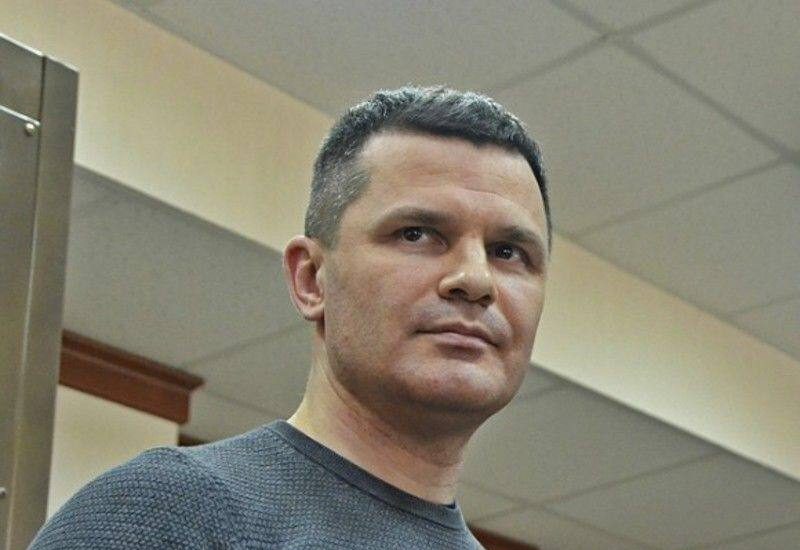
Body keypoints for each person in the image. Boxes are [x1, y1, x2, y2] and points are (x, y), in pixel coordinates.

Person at [30, 86, 551, 549]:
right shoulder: (168, 511)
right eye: (417, 234)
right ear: (311, 279)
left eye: (508, 252)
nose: (475, 280)